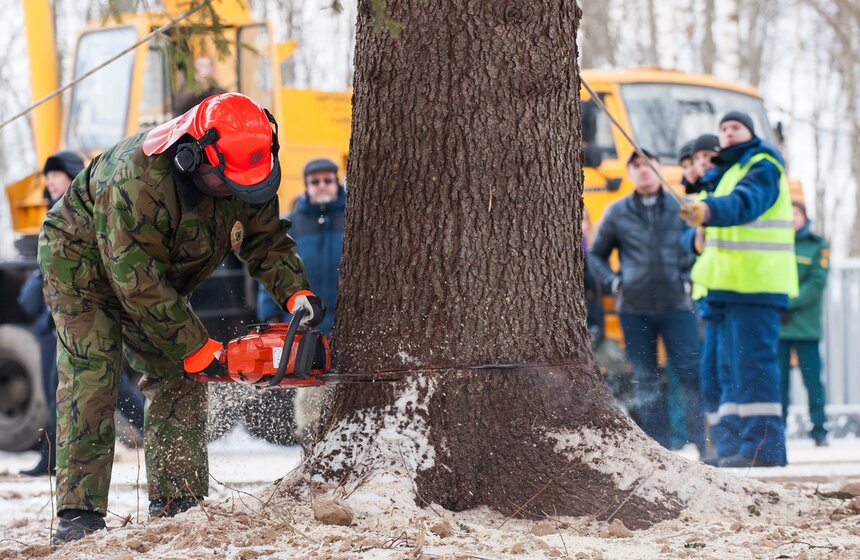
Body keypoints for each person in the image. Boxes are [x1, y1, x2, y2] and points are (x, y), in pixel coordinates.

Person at [39, 93, 325, 542]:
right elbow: (136, 281)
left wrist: (296, 292)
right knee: (92, 374)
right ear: (194, 157)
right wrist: (195, 345)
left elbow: (266, 239)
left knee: (182, 374)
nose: (237, 193)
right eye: (228, 183)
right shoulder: (137, 179)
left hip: (159, 271)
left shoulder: (248, 163)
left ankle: (178, 503)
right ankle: (80, 515)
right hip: (84, 267)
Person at [681, 111, 798, 468]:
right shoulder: (726, 173)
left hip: (755, 286)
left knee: (752, 369)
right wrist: (697, 229)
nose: (728, 133)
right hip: (723, 291)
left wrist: (707, 210)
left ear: (750, 133)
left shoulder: (763, 166)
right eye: (723, 129)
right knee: (720, 372)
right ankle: (729, 446)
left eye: (735, 127)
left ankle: (762, 450)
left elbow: (743, 204)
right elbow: (703, 230)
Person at [18, 152, 145, 478]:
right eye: (48, 178)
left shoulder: (92, 209)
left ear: (72, 176)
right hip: (55, 316)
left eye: (56, 176)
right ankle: (50, 456)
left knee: (111, 386)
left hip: (89, 312)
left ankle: (151, 423)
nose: (50, 183)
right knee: (55, 389)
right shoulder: (52, 214)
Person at [590, 149, 704, 454]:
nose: (643, 171)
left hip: (677, 304)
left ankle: (704, 447)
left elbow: (699, 248)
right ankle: (657, 447)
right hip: (634, 308)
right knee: (644, 377)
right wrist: (613, 282)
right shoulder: (617, 211)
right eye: (636, 166)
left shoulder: (683, 208)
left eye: (648, 165)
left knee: (691, 372)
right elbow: (596, 254)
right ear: (629, 174)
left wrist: (689, 277)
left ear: (659, 169)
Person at [256, 158, 345, 338]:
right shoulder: (290, 224)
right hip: (301, 328)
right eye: (315, 181)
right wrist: (271, 316)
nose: (322, 185)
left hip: (345, 324)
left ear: (337, 183)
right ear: (307, 185)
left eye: (328, 180)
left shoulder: (352, 218)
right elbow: (273, 268)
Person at [778, 200, 830, 446]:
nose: (792, 218)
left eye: (796, 213)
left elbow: (816, 283)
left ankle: (819, 430)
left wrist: (787, 302)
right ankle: (779, 430)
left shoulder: (818, 246)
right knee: (779, 383)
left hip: (806, 327)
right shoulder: (777, 244)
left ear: (804, 216)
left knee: (812, 382)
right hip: (779, 327)